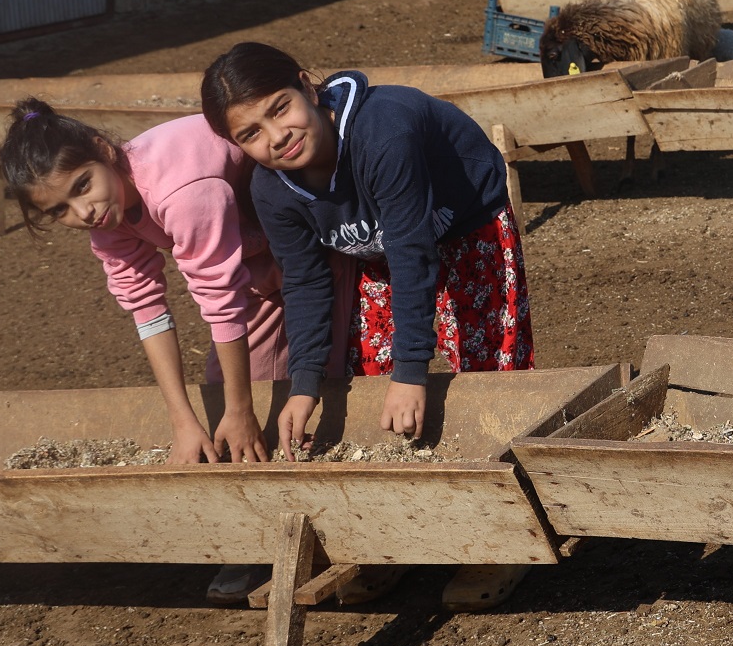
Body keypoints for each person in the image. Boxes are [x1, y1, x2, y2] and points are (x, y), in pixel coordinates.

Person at [201, 42, 536, 611]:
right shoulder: (271, 188)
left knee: (484, 373)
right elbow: (305, 283)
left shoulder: (384, 131)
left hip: (465, 227)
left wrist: (414, 371)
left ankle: (499, 540)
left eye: (280, 108)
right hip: (379, 248)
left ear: (309, 87)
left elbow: (413, 250)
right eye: (250, 134)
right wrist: (304, 384)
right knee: (371, 380)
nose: (275, 136)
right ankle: (396, 542)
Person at [0, 99, 320, 605]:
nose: (82, 212)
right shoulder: (107, 220)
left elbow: (218, 296)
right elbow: (146, 307)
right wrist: (182, 419)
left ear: (105, 153)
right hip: (257, 260)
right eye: (58, 209)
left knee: (296, 386)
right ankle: (258, 526)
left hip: (315, 240)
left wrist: (240, 410)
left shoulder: (178, 188)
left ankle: (306, 535)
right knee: (224, 394)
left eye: (83, 185)